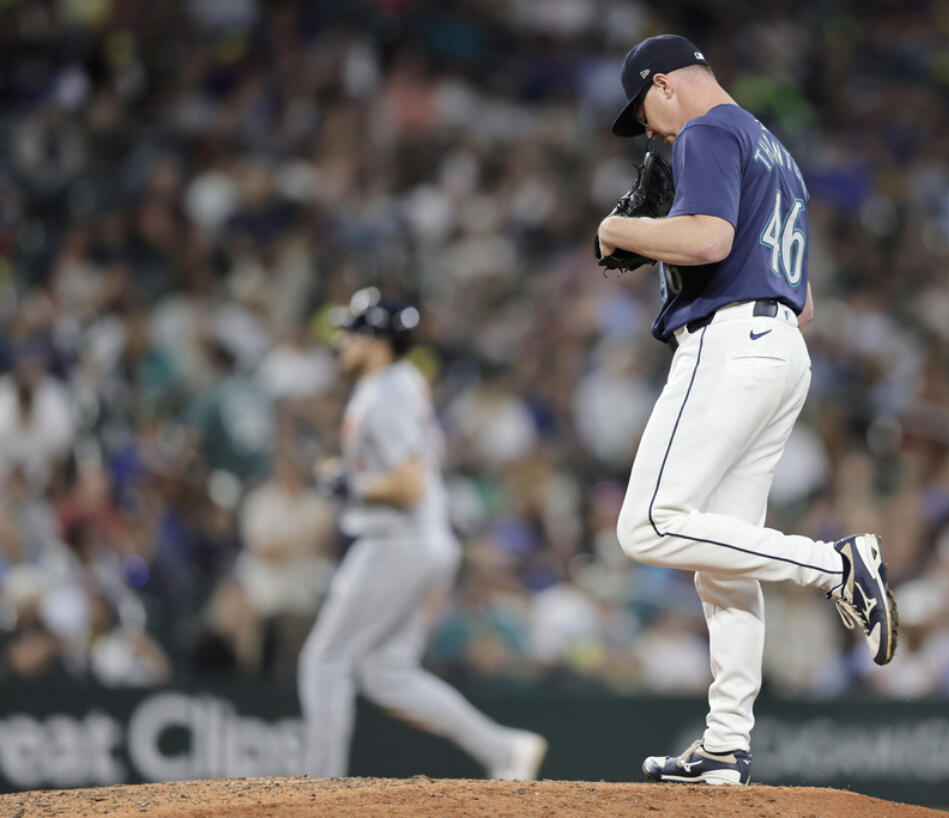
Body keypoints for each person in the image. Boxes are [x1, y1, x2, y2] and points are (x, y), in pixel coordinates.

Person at [596, 35, 898, 786]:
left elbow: (707, 237)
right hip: (780, 349)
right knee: (720, 564)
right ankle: (726, 747)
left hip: (731, 345)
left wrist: (618, 229)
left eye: (645, 114)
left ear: (663, 85)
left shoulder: (704, 130)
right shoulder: (775, 150)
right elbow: (806, 299)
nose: (655, 133)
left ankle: (838, 565)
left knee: (648, 524)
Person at [298, 287, 547, 780]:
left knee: (324, 661)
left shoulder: (381, 392)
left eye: (351, 333)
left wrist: (349, 483)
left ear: (377, 340)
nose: (341, 342)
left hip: (397, 541)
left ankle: (317, 792)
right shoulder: (405, 379)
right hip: (426, 542)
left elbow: (408, 484)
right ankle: (502, 750)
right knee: (385, 671)